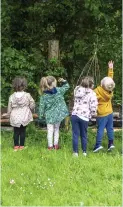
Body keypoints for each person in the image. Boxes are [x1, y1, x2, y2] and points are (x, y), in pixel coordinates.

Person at [2, 77, 35, 151]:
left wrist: (7, 114)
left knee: (16, 132)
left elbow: (9, 109)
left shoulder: (11, 96)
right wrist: (30, 107)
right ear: (24, 86)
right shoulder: (27, 95)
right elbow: (32, 105)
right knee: (23, 131)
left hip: (15, 116)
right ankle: (22, 146)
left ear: (14, 86)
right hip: (24, 116)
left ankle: (16, 146)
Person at [39, 76, 70, 150]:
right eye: (55, 82)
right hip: (58, 115)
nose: (56, 83)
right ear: (53, 83)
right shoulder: (59, 91)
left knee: (50, 131)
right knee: (56, 129)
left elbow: (41, 106)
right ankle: (56, 145)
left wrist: (40, 116)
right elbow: (67, 86)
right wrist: (63, 81)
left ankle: (50, 146)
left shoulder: (44, 95)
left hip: (49, 116)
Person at [71, 76, 98, 156]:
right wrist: (93, 114)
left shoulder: (77, 90)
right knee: (84, 135)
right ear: (91, 84)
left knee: (75, 134)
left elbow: (77, 88)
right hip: (84, 117)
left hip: (75, 115)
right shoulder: (92, 93)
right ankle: (84, 152)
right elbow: (93, 105)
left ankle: (75, 153)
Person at [93, 60, 115, 152]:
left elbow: (91, 97)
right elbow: (110, 80)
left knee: (100, 129)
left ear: (102, 84)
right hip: (109, 112)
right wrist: (110, 68)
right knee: (110, 128)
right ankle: (111, 144)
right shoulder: (110, 90)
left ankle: (98, 145)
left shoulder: (97, 90)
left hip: (101, 114)